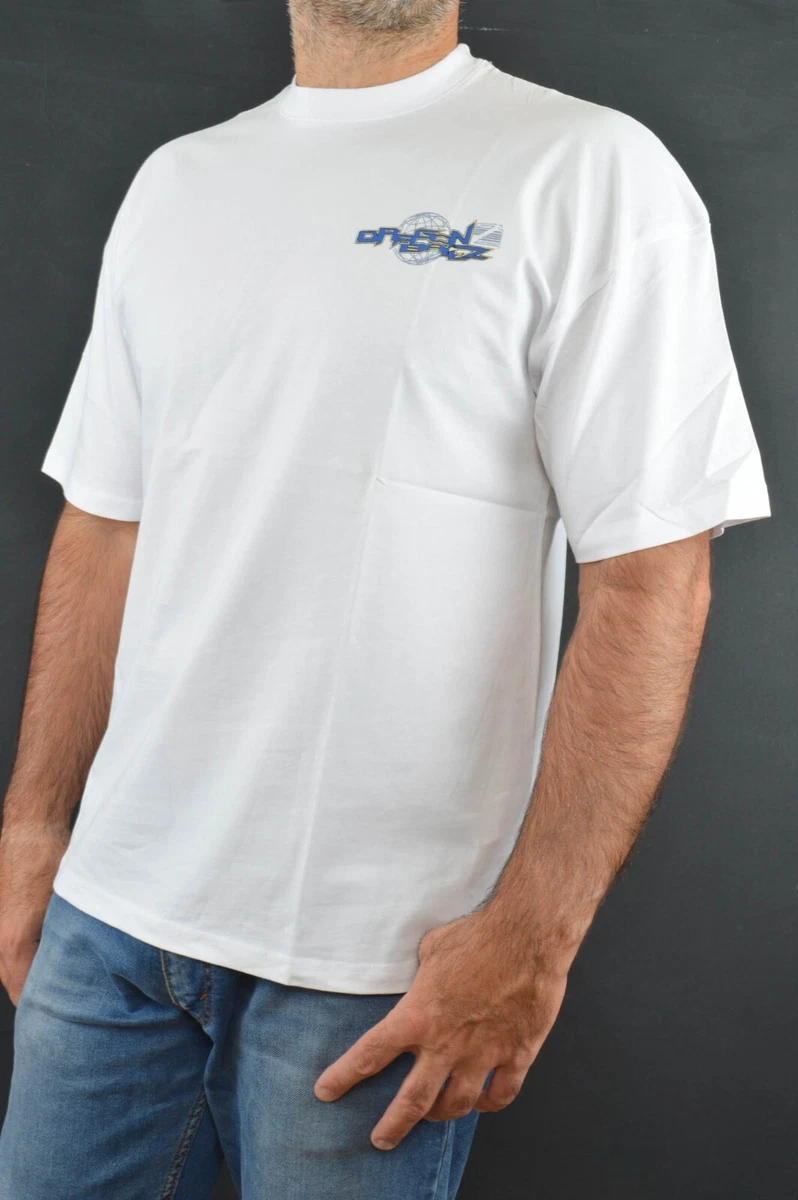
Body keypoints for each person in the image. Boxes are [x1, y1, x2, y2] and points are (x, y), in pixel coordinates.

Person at [0, 0, 771, 1195]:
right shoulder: (179, 185)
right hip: (110, 924)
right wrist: (34, 825)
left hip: (377, 968)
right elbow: (107, 524)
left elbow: (650, 577)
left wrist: (532, 935)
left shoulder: (588, 170)